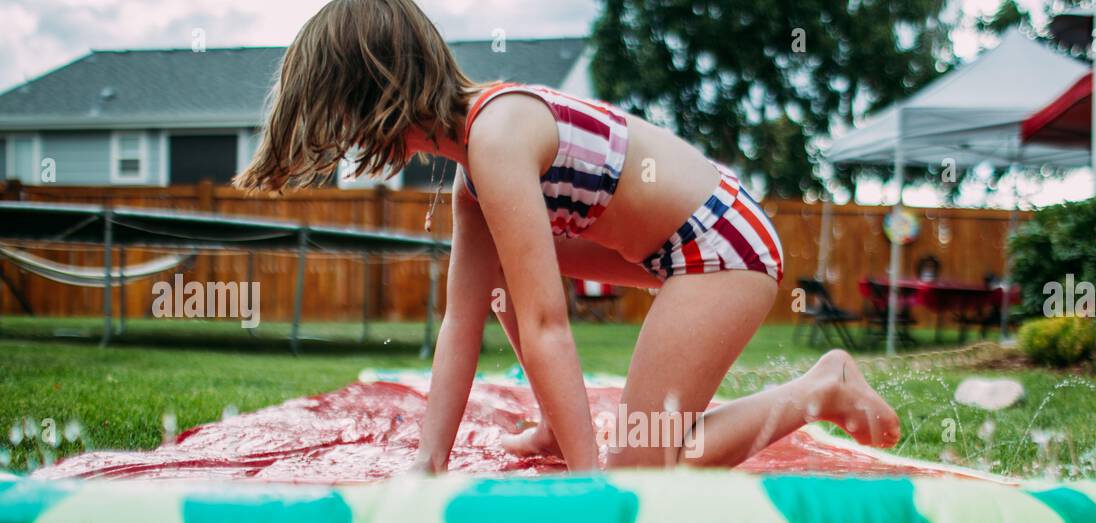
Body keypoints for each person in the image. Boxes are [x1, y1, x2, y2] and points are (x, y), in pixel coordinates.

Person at [235, 0, 900, 471]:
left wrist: (592, 486)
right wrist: (427, 465)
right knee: (493, 281)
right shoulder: (475, 174)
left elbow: (547, 322)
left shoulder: (496, 137)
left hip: (724, 247)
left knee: (644, 469)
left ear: (371, 95)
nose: (349, 142)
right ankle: (556, 428)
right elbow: (459, 325)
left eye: (341, 120)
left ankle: (820, 387)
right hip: (673, 248)